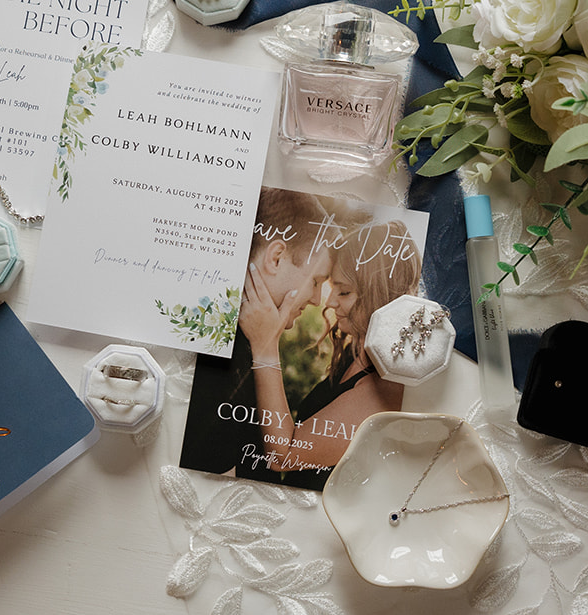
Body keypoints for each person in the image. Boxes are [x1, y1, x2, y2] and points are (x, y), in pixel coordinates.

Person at [177, 188, 342, 477]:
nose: (317, 300)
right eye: (316, 281)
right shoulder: (218, 342)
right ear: (276, 258)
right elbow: (207, 462)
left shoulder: (235, 327)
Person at [243, 217, 422, 478]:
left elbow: (283, 456)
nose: (329, 302)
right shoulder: (356, 352)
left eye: (344, 292)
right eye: (331, 287)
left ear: (380, 296)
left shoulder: (385, 386)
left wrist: (266, 347)